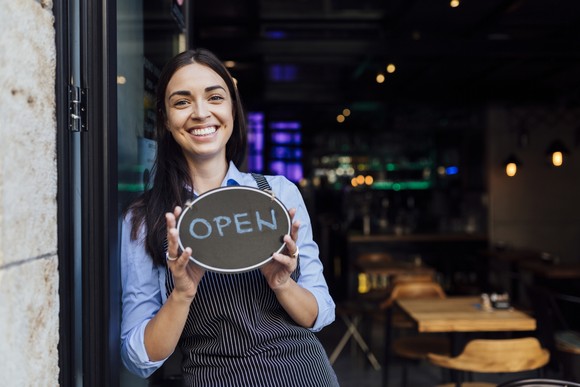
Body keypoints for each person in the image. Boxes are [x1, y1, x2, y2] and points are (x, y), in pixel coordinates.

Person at [120, 48, 339, 386]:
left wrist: (282, 284)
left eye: (215, 97)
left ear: (233, 109)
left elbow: (320, 313)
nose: (200, 112)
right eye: (182, 102)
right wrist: (181, 294)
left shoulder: (278, 193)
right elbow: (139, 358)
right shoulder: (146, 219)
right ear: (165, 119)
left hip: (303, 373)